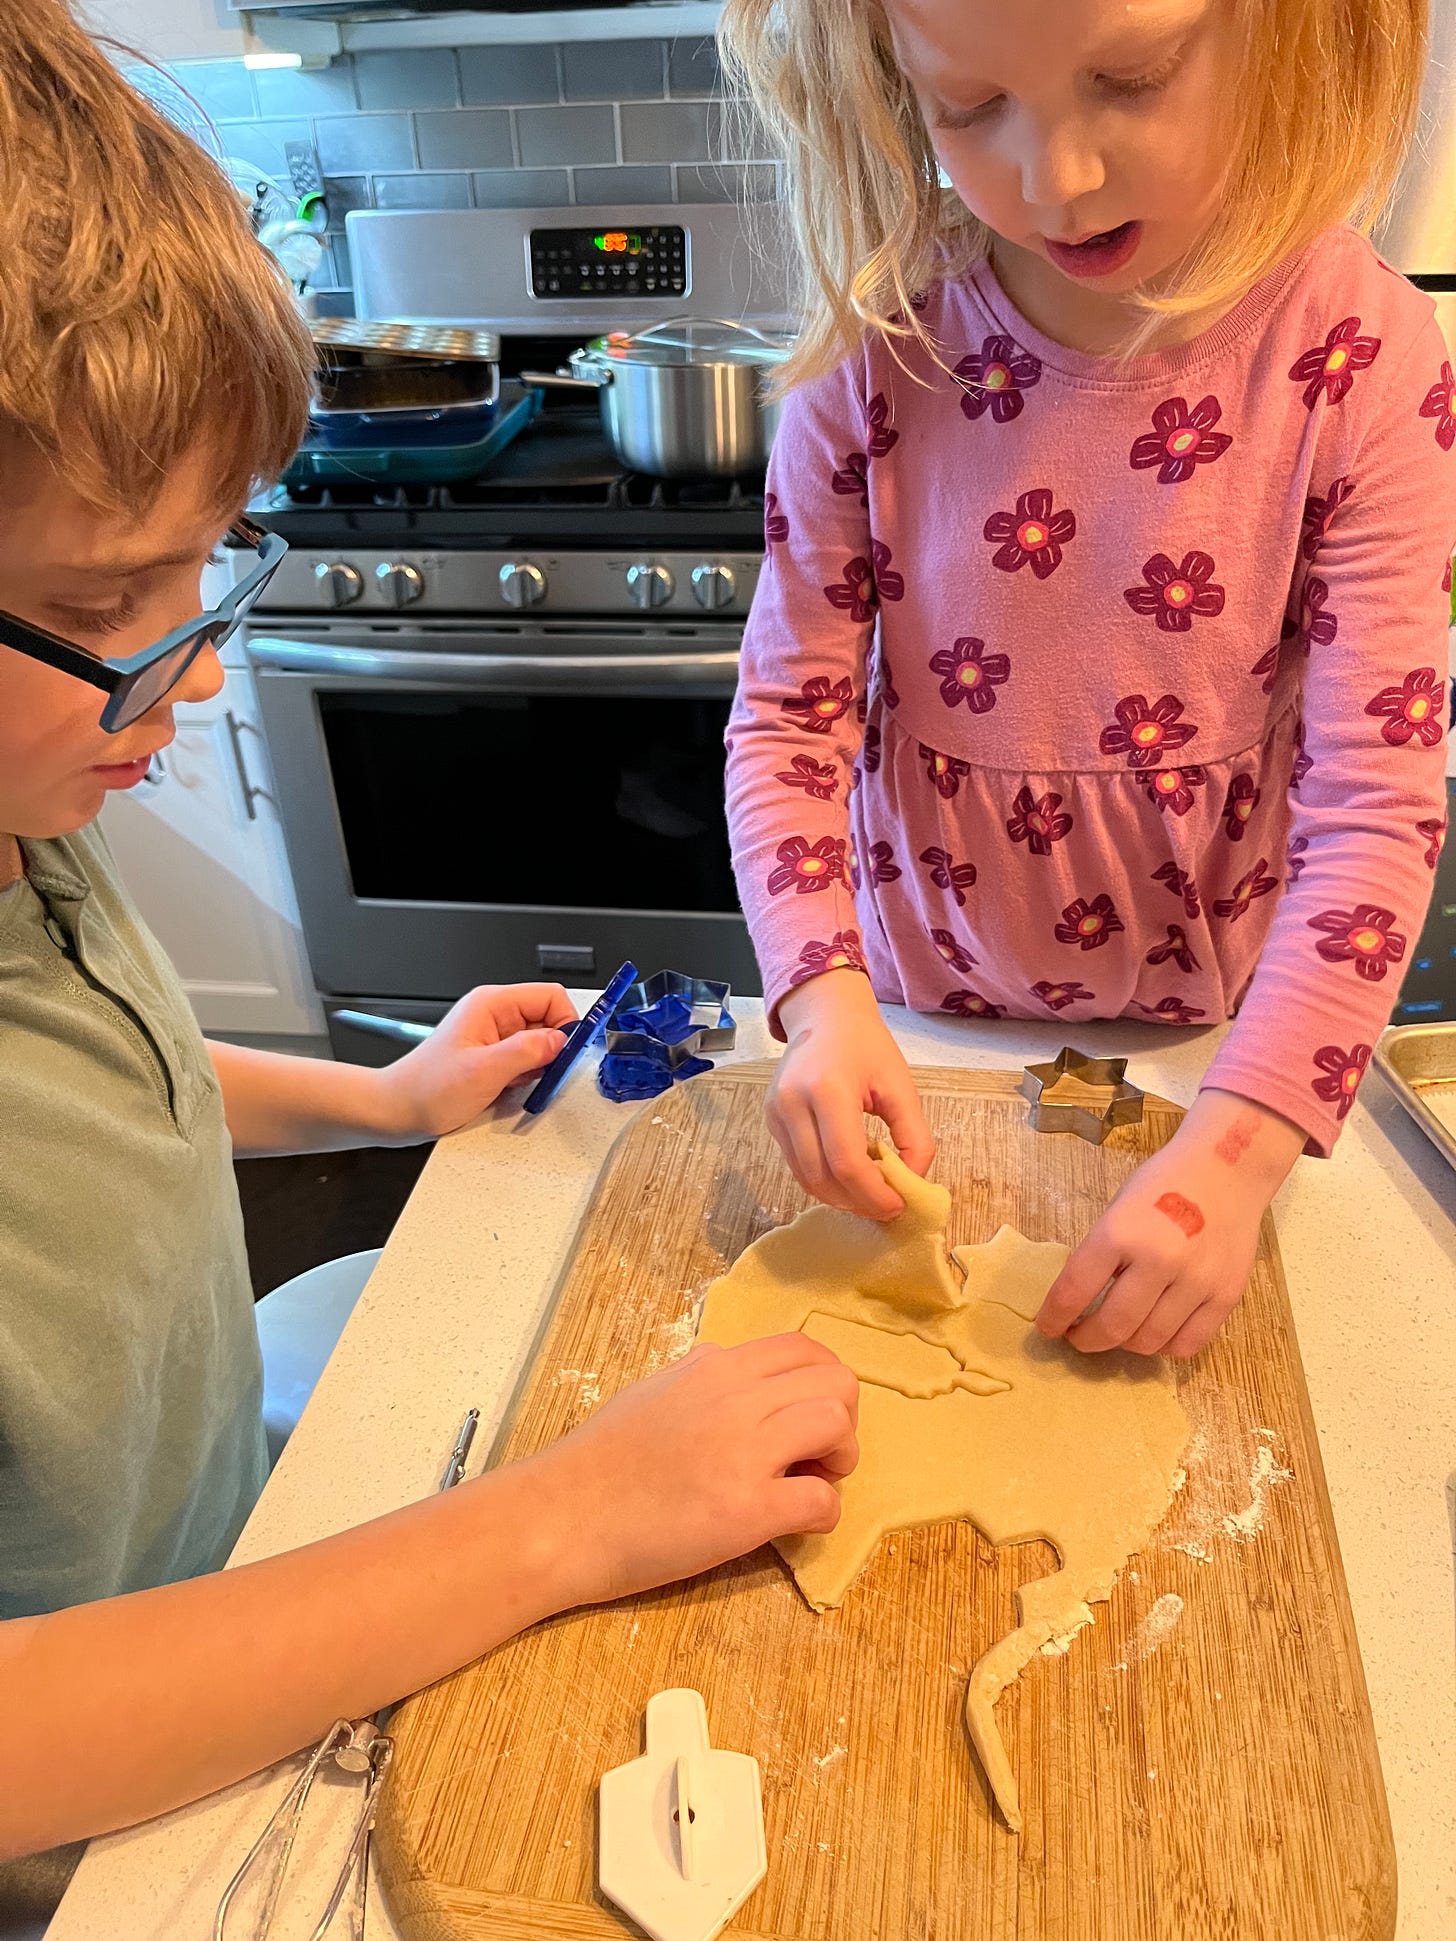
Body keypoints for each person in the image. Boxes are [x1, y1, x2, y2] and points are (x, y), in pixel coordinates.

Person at [0, 0, 859, 1864]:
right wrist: (568, 1516)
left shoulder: (29, 837)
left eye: (203, 566)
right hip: (114, 1826)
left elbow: (96, 1088)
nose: (200, 661)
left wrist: (384, 1104)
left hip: (225, 1557)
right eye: (109, 598)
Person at [722, 0, 1452, 1358]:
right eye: (966, 105)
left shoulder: (1364, 355)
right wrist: (821, 1008)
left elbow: (1375, 811)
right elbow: (785, 732)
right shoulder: (876, 352)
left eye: (1133, 76)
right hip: (913, 1024)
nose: (1054, 177)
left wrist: (1236, 1157)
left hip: (1221, 1051)